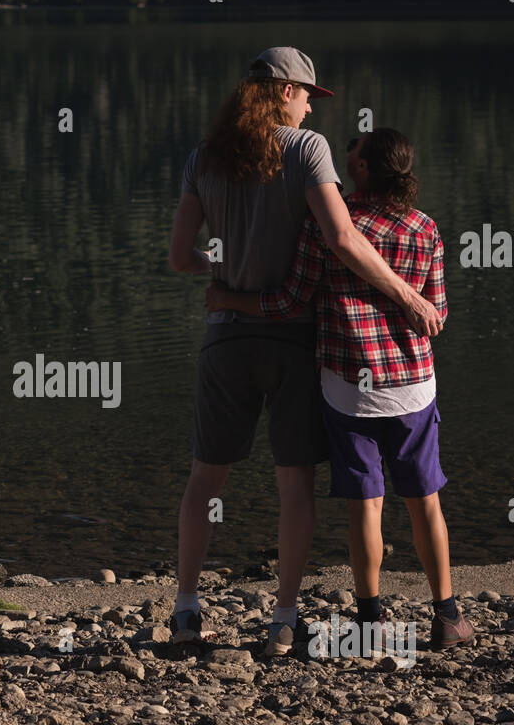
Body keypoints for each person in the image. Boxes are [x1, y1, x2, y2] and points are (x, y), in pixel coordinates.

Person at [168, 47, 443, 657]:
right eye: (307, 95)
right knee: (294, 486)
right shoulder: (308, 149)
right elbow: (342, 238)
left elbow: (181, 258)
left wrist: (227, 266)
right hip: (294, 339)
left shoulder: (204, 158)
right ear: (287, 91)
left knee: (205, 480)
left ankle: (186, 611)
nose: (308, 106)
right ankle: (284, 620)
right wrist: (408, 296)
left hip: (226, 336)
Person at [205, 127, 475, 652]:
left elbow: (288, 303)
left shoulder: (329, 226)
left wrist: (228, 299)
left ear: (363, 168)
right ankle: (447, 616)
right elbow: (437, 314)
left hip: (348, 389)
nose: (344, 151)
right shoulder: (425, 228)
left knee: (365, 507)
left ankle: (370, 623)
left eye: (352, 147)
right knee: (426, 503)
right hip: (412, 388)